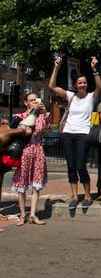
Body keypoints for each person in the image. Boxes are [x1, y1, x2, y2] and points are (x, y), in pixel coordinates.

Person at [49, 56, 101, 209]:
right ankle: (74, 196)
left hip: (82, 134)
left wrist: (94, 70)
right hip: (68, 133)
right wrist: (56, 68)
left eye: (84, 82)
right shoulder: (71, 96)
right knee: (71, 166)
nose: (83, 85)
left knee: (80, 166)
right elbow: (52, 86)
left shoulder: (92, 97)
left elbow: (99, 87)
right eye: (80, 83)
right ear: (75, 85)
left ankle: (87, 196)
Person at [11, 93, 50, 226]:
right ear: (26, 103)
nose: (34, 102)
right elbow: (16, 131)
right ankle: (22, 215)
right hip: (24, 152)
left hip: (37, 150)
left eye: (36, 100)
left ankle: (33, 215)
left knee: (36, 185)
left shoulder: (41, 116)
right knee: (22, 185)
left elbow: (46, 131)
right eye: (31, 100)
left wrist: (44, 115)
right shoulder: (20, 117)